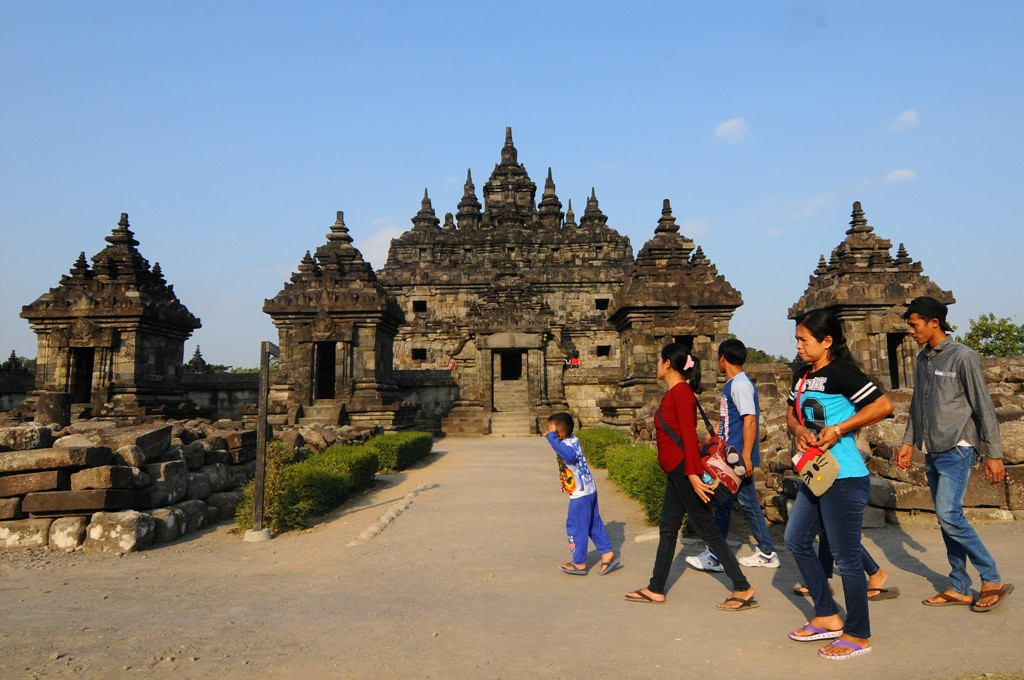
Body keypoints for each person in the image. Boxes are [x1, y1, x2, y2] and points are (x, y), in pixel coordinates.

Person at [784, 309, 893, 660]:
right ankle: (827, 614)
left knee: (846, 558)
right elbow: (791, 412)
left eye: (804, 340)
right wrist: (800, 430)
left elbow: (884, 405)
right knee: (796, 539)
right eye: (797, 339)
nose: (798, 345)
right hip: (815, 473)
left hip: (844, 476)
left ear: (827, 341)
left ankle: (859, 633)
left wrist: (840, 428)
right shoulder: (802, 374)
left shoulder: (843, 373)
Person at [895, 296, 1013, 612]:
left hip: (959, 447)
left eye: (914, 324)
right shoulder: (923, 359)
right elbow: (917, 404)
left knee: (949, 515)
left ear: (934, 322)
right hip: (932, 448)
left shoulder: (964, 357)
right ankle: (959, 586)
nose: (910, 331)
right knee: (946, 519)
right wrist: (908, 442)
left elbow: (984, 406)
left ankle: (991, 578)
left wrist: (994, 454)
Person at [624, 343, 757, 610]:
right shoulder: (676, 392)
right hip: (678, 472)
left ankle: (742, 587)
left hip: (685, 471)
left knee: (706, 528)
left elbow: (687, 436)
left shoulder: (682, 393)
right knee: (668, 527)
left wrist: (694, 475)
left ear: (668, 364)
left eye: (659, 360)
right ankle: (656, 587)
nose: (657, 365)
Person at [686, 338, 781, 573]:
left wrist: (747, 455)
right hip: (730, 455)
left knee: (743, 502)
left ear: (723, 358)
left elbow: (750, 419)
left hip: (737, 459)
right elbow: (733, 418)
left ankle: (764, 552)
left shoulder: (739, 384)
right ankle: (720, 553)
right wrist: (717, 434)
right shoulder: (734, 383)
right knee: (725, 503)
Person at [544, 412, 620, 576]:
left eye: (550, 430)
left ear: (560, 432)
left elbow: (568, 455)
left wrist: (552, 438)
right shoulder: (572, 440)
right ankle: (607, 553)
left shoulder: (568, 446)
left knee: (576, 526)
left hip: (581, 495)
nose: (547, 433)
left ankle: (579, 563)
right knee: (594, 523)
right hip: (589, 490)